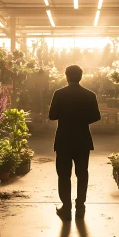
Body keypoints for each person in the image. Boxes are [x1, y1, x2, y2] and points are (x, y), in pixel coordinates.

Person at [49, 65, 101, 220]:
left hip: (64, 139)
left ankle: (66, 208)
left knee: (64, 174)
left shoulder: (59, 94)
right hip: (82, 139)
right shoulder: (89, 95)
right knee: (82, 173)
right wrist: (82, 119)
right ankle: (80, 206)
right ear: (81, 76)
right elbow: (96, 116)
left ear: (67, 76)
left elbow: (52, 116)